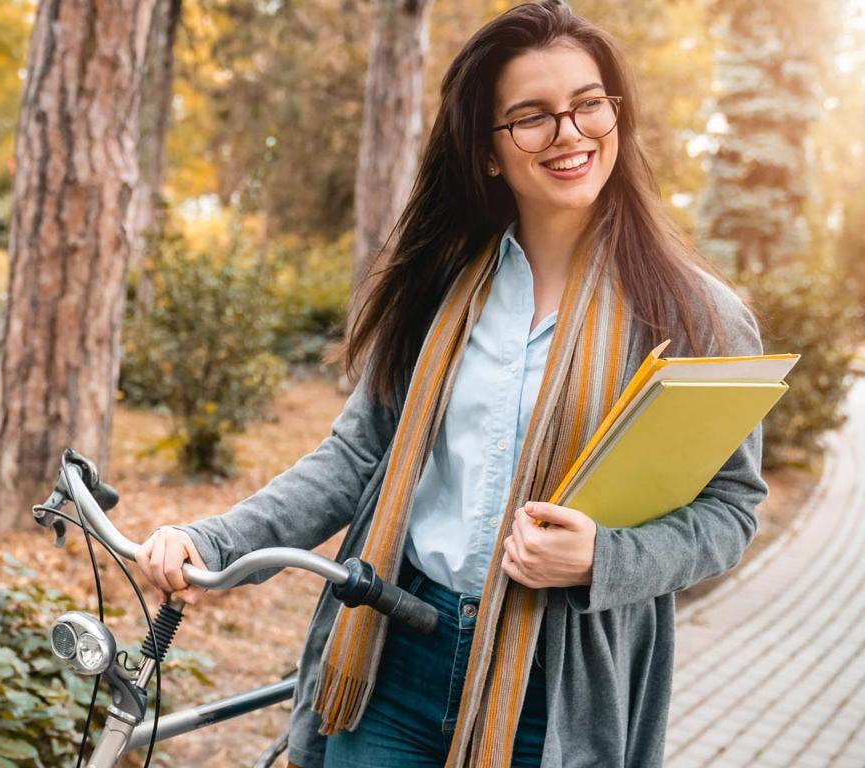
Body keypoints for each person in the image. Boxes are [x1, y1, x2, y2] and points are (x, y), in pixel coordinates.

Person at [135, 1, 768, 766]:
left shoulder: (696, 315)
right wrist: (213, 540)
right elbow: (355, 458)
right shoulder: (439, 290)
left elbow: (730, 509)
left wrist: (606, 557)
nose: (569, 134)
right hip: (392, 656)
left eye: (588, 104)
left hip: (553, 690)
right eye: (532, 116)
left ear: (616, 115)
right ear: (489, 152)